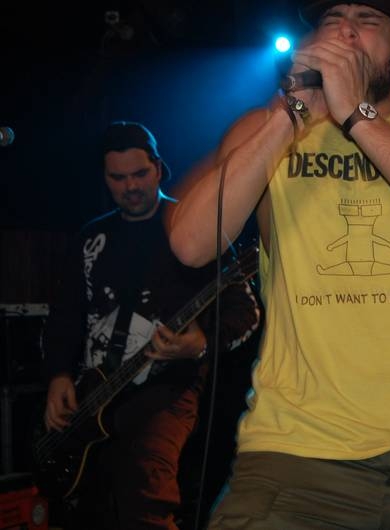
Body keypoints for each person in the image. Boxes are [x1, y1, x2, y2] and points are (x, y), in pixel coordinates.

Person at [166, 0, 390, 528]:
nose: (346, 31)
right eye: (332, 20)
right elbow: (191, 243)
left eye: (368, 20)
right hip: (296, 452)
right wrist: (290, 114)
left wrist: (357, 114)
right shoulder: (269, 127)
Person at [40, 121, 260, 530]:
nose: (130, 186)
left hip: (166, 393)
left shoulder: (191, 228)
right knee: (89, 508)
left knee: (145, 492)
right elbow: (65, 314)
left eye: (140, 173)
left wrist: (200, 343)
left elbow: (246, 312)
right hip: (92, 396)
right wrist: (58, 375)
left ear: (159, 168)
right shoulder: (92, 237)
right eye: (117, 178)